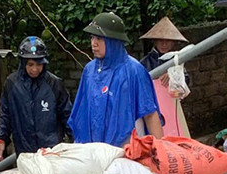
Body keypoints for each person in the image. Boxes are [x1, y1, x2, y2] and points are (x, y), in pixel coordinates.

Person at [68, 12, 162, 146]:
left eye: (99, 38)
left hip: (127, 148)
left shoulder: (134, 70)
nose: (93, 43)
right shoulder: (89, 70)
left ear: (114, 41)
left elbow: (150, 113)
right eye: (92, 37)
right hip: (94, 149)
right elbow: (82, 112)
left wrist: (160, 150)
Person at [0, 36, 72, 160]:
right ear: (23, 63)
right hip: (25, 149)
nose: (34, 69)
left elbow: (67, 114)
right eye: (30, 64)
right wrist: (1, 139)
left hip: (51, 150)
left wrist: (76, 139)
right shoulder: (12, 84)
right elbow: (6, 114)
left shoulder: (54, 84)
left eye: (39, 64)